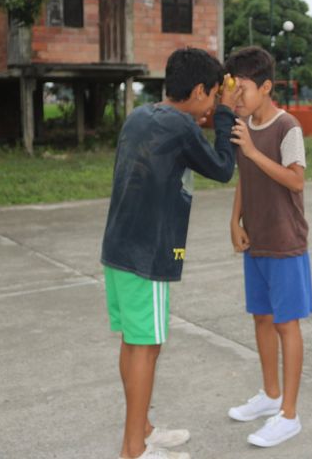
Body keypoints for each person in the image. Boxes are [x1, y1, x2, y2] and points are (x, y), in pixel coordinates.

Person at [101, 47, 239, 459]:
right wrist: (226, 115)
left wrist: (209, 114)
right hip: (148, 255)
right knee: (146, 347)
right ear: (198, 91)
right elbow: (222, 167)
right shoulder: (181, 128)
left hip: (119, 249)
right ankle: (134, 448)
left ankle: (142, 429)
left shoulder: (140, 116)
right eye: (213, 95)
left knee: (137, 343)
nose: (213, 104)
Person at [224, 46, 312, 448]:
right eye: (232, 88)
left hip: (285, 241)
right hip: (256, 239)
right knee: (261, 318)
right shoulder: (243, 125)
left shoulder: (287, 127)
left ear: (265, 87)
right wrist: (235, 220)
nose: (236, 97)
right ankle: (270, 394)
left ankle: (289, 414)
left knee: (285, 323)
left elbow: (296, 180)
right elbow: (244, 177)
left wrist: (253, 151)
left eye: (242, 88)